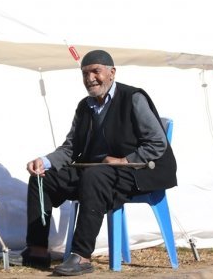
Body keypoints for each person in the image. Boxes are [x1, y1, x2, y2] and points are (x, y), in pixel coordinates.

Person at [21, 50, 177, 276]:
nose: (90, 78)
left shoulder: (133, 98)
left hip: (136, 171)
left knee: (95, 176)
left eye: (96, 71)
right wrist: (45, 161)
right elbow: (71, 147)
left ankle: (82, 256)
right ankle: (37, 251)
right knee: (42, 178)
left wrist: (124, 160)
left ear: (112, 73)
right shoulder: (85, 106)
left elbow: (157, 143)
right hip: (96, 172)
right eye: (85, 73)